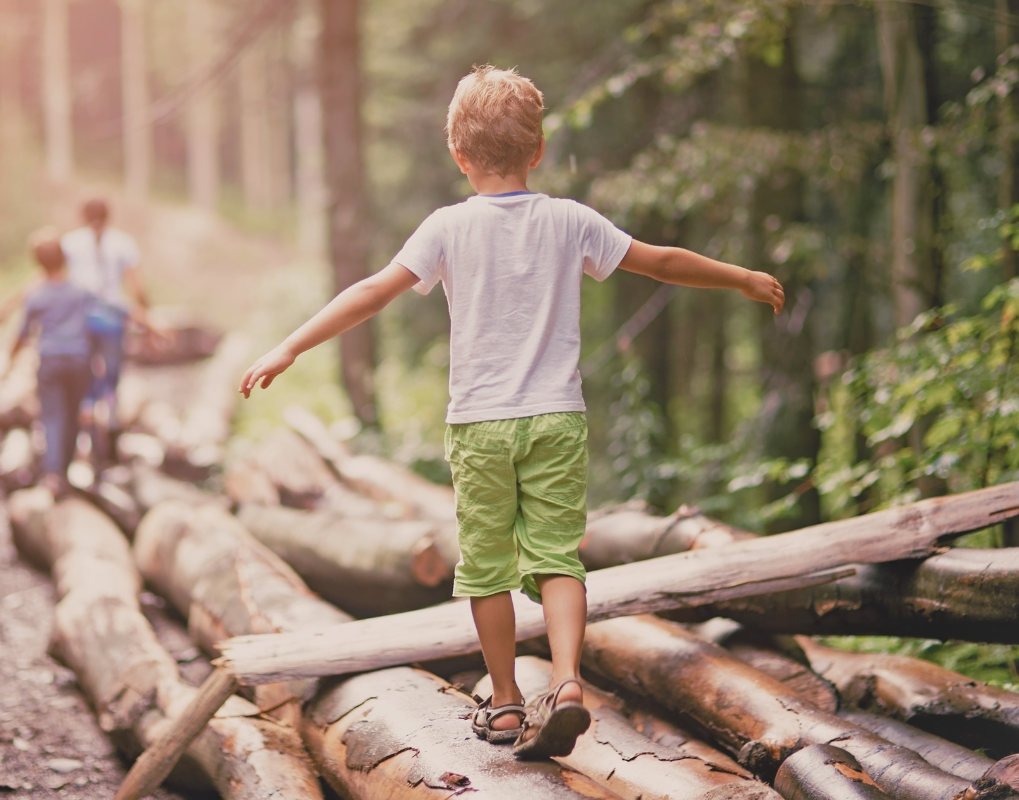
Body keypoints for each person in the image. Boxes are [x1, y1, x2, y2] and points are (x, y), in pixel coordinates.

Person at [239, 65, 784, 759]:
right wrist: (738, 276)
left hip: (479, 425)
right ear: (538, 150)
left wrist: (290, 346)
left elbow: (372, 292)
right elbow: (661, 261)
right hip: (556, 418)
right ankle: (565, 682)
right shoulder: (568, 220)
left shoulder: (446, 228)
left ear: (458, 156)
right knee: (557, 558)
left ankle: (502, 701)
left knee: (489, 568)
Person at [0, 198, 153, 468]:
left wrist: (6, 309)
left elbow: (40, 283)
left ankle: (80, 437)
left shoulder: (70, 245)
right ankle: (108, 436)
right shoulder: (122, 244)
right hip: (109, 321)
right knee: (109, 380)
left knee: (76, 393)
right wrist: (148, 320)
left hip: (82, 325)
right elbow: (134, 290)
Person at [8, 230, 97, 498]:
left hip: (51, 362)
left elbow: (22, 334)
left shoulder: (36, 295)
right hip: (80, 361)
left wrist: (9, 363)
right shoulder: (80, 292)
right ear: (65, 259)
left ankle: (55, 475)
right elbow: (94, 327)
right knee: (72, 416)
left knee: (52, 417)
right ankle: (65, 472)